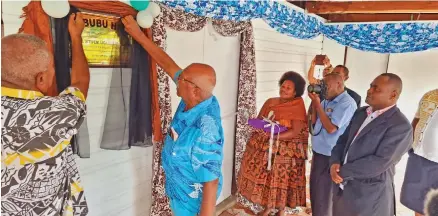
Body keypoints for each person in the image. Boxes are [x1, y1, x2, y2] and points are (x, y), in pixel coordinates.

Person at [121, 16, 224, 216]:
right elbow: (168, 64)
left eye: (182, 78)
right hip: (178, 192)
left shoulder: (206, 129)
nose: (177, 78)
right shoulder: (195, 96)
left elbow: (211, 182)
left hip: (192, 203)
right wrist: (139, 36)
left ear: (194, 90)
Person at [1, 13, 90, 215]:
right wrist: (76, 37)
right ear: (41, 79)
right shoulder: (54, 114)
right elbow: (80, 84)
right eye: (51, 69)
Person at [330, 73, 412, 216]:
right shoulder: (361, 112)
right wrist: (334, 162)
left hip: (369, 196)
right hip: (344, 190)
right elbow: (343, 140)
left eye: (376, 89)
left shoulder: (400, 126)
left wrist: (342, 171)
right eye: (371, 86)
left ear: (393, 95)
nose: (370, 90)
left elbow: (379, 162)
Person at [237, 71, 308, 216]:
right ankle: (268, 208)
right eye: (283, 86)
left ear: (296, 92)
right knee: (268, 180)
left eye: (288, 88)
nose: (284, 89)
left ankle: (281, 210)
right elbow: (260, 120)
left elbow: (295, 132)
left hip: (286, 154)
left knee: (282, 181)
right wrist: (261, 129)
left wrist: (274, 136)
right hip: (266, 148)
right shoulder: (271, 102)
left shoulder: (297, 105)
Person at [308, 73, 357, 216]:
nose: (323, 89)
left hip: (330, 155)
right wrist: (315, 103)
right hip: (319, 152)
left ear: (339, 85)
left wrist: (318, 104)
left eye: (326, 86)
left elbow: (331, 128)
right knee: (316, 190)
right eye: (322, 85)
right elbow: (315, 122)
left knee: (325, 195)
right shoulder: (327, 100)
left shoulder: (347, 103)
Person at [401, 89, 438, 216]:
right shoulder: (429, 95)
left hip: (436, 161)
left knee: (434, 206)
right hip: (418, 156)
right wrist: (409, 143)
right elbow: (416, 120)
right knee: (417, 201)